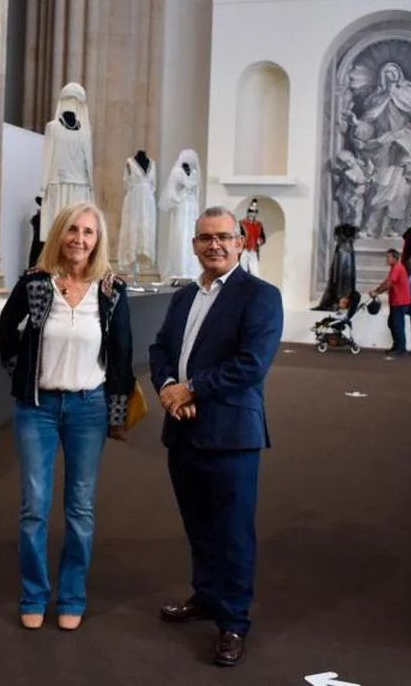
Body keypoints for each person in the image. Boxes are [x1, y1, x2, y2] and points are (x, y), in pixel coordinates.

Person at [149, 206, 284, 667]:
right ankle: (206, 597)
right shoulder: (185, 296)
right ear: (194, 244)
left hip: (231, 434)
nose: (215, 245)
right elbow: (161, 348)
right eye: (206, 238)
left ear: (241, 243)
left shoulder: (260, 296)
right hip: (182, 428)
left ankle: (233, 622)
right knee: (198, 524)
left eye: (224, 237)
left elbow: (252, 364)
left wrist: (192, 388)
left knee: (232, 532)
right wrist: (168, 388)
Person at [0, 201, 135, 632]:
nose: (79, 239)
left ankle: (72, 595)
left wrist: (116, 414)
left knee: (80, 508)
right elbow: (5, 329)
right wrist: (20, 375)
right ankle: (34, 594)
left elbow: (123, 354)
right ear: (58, 233)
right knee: (34, 506)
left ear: (98, 241)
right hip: (37, 409)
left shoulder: (111, 289)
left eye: (88, 232)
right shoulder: (36, 283)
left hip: (88, 408)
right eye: (72, 230)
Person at [369, 249, 410, 357]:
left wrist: (376, 292)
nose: (386, 259)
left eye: (388, 257)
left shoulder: (397, 268)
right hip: (395, 300)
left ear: (395, 258)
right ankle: (397, 346)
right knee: (392, 323)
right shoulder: (393, 268)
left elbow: (389, 285)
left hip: (400, 301)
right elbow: (386, 282)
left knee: (397, 324)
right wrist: (376, 290)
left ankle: (401, 348)